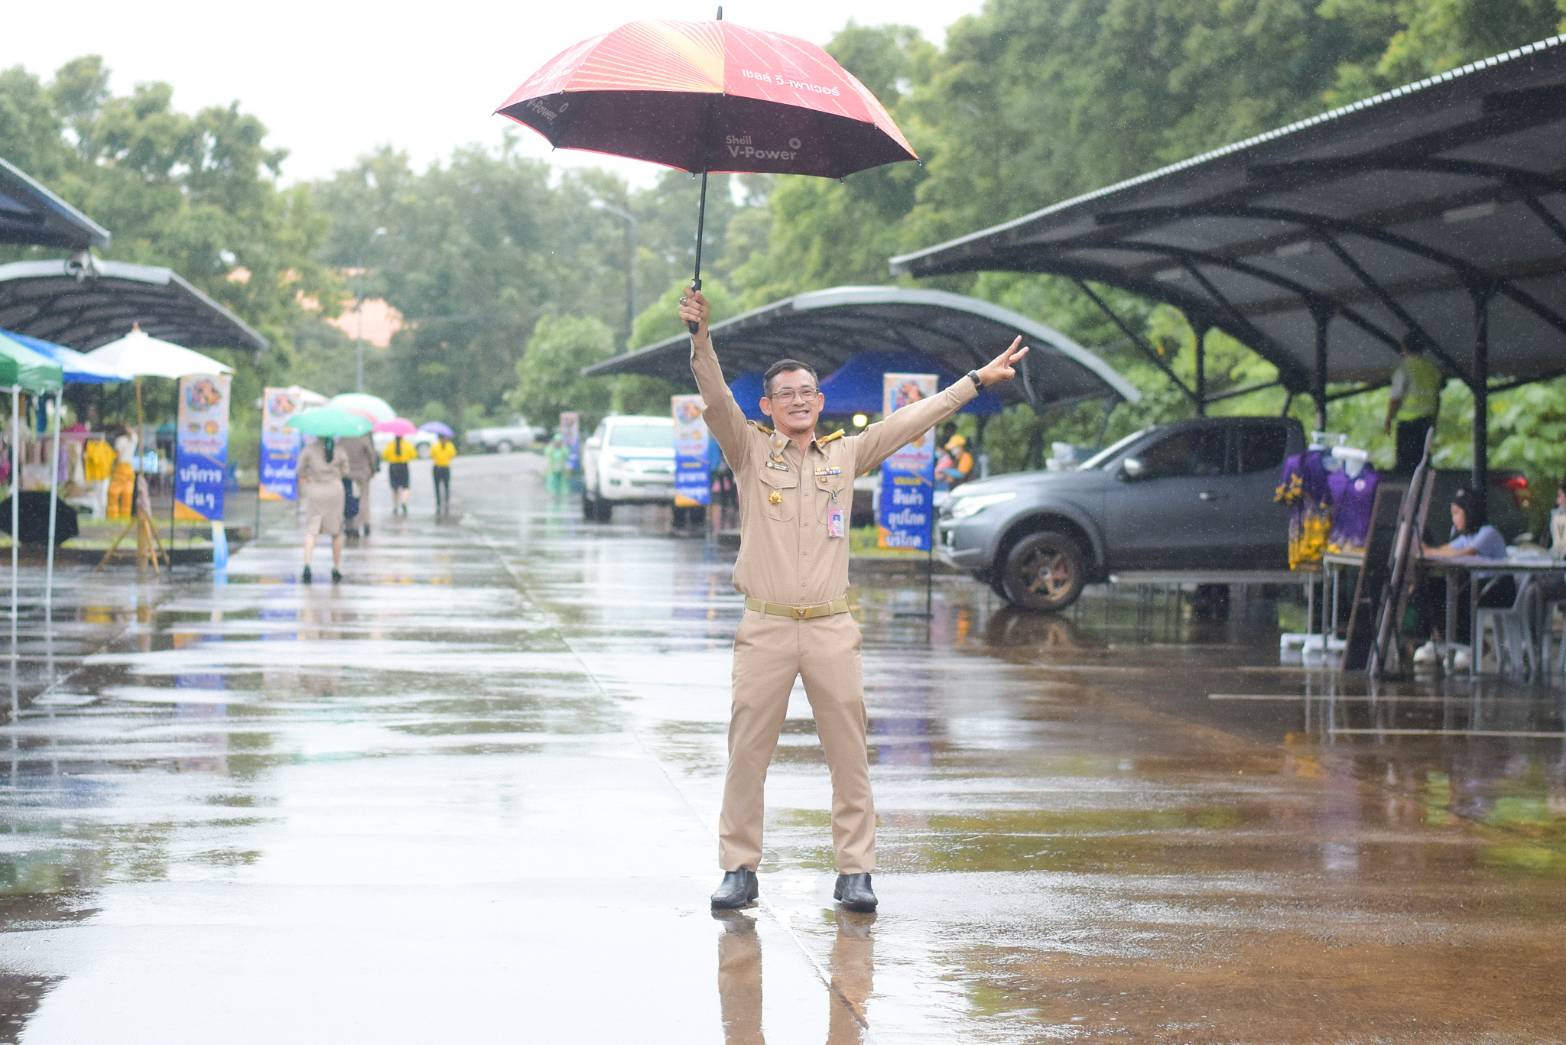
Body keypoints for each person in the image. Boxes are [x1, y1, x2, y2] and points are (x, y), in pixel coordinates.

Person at [679, 287, 1029, 914]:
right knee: (747, 755)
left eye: (806, 393)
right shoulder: (750, 449)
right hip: (766, 627)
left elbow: (912, 420)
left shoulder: (845, 453)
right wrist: (701, 337)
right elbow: (715, 395)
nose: (797, 402)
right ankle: (738, 867)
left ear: (820, 400)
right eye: (785, 394)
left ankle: (855, 873)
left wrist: (976, 380)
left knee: (850, 754)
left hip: (831, 629)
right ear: (768, 404)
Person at [1412, 487, 1512, 670]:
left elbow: (1464, 553)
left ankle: (1470, 645)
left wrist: (1429, 550)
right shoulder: (1466, 536)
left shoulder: (1488, 533)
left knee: (1459, 594)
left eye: (1457, 513)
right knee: (1431, 588)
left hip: (1496, 589)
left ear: (1470, 512)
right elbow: (1446, 550)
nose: (1454, 519)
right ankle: (1441, 639)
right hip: (1475, 587)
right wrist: (1425, 549)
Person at [1384, 334, 1443, 473]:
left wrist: (1388, 420)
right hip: (1426, 422)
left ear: (1404, 348)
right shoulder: (1432, 369)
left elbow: (1395, 398)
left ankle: (1409, 492)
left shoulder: (1405, 369)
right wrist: (1434, 420)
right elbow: (1437, 397)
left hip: (1408, 424)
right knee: (1423, 462)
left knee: (1406, 466)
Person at [298, 435, 349, 583]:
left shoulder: (309, 450)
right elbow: (346, 471)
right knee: (336, 531)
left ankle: (307, 565)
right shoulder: (339, 450)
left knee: (312, 531)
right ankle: (336, 567)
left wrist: (309, 477)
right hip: (335, 492)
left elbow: (300, 470)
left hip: (315, 492)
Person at [340, 433, 379, 538]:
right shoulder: (364, 438)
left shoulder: (343, 438)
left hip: (347, 474)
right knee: (364, 499)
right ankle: (365, 523)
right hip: (363, 474)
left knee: (349, 499)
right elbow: (372, 455)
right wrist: (374, 469)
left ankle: (351, 525)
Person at [107, 424, 138, 520]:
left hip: (120, 468)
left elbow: (117, 455)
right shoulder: (134, 438)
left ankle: (113, 516)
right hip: (130, 468)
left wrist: (112, 466)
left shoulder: (120, 440)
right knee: (127, 493)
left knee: (113, 493)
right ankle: (125, 516)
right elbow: (133, 432)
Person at [382, 433, 416, 516]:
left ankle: (395, 505)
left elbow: (384, 455)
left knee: (394, 488)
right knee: (405, 486)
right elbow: (413, 455)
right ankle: (404, 502)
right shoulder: (407, 444)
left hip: (393, 466)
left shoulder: (390, 444)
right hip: (403, 465)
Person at [430, 433, 457, 514]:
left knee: (437, 487)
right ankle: (446, 502)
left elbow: (432, 455)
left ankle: (438, 503)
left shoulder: (435, 446)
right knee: (446, 486)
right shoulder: (450, 446)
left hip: (437, 468)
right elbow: (452, 455)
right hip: (445, 468)